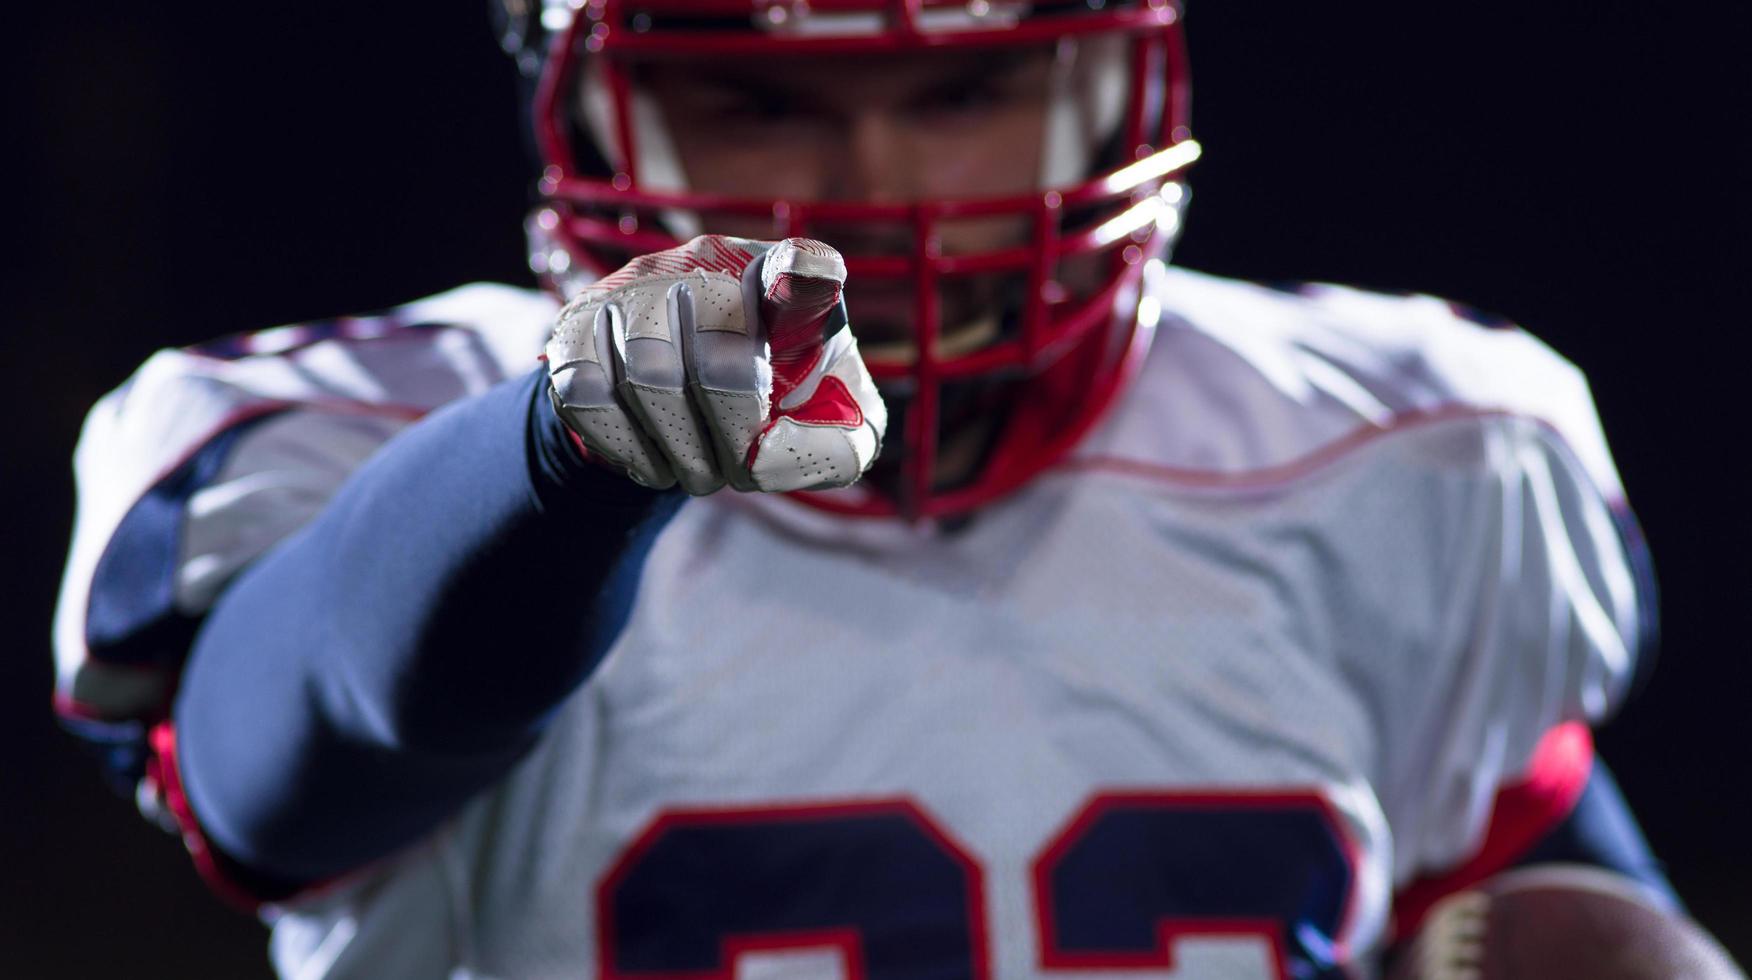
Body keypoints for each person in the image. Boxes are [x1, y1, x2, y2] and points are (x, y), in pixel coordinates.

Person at [51, 0, 1741, 976]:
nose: (870, 190)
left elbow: (1515, 857)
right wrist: (560, 458)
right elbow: (288, 777)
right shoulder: (393, 450)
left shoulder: (1410, 450)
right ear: (589, 96)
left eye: (965, 89)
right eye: (758, 96)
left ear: (1119, 79)